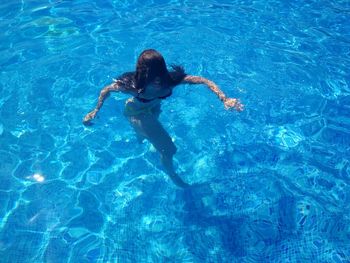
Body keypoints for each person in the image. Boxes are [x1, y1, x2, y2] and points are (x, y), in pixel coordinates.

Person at [83, 49, 244, 188]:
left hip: (153, 109)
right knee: (169, 149)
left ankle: (140, 137)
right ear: (143, 74)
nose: (158, 82)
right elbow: (106, 90)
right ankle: (174, 177)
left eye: (160, 75)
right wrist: (95, 110)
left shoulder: (170, 81)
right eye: (153, 77)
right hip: (136, 112)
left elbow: (203, 80)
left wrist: (224, 98)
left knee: (148, 136)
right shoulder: (132, 86)